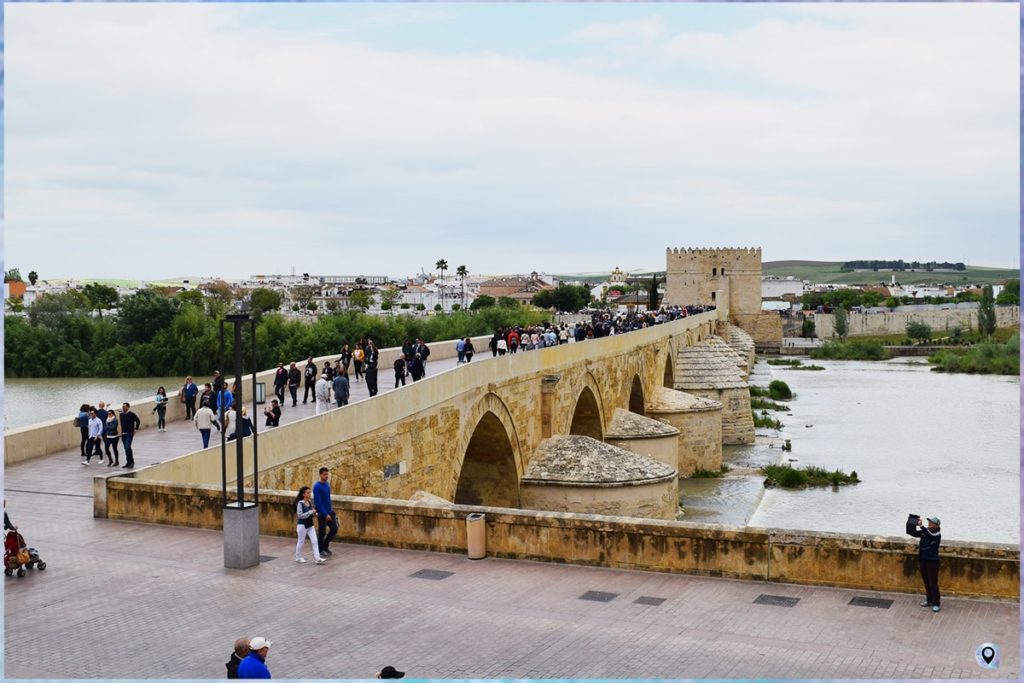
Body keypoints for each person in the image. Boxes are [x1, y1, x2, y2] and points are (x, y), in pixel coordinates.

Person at [907, 514, 942, 612]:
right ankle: (929, 600)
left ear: (936, 525)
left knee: (933, 583)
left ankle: (936, 603)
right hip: (923, 559)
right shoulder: (926, 531)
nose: (929, 524)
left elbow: (930, 535)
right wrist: (912, 522)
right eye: (929, 522)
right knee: (926, 581)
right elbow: (913, 533)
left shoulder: (936, 534)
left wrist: (922, 527)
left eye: (931, 523)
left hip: (932, 562)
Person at [294, 486, 325, 564]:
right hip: (302, 525)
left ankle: (317, 558)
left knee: (314, 541)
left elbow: (311, 513)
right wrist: (311, 512)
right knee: (301, 541)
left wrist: (315, 514)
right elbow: (300, 515)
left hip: (310, 525)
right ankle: (298, 557)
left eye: (310, 492)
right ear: (303, 494)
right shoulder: (300, 504)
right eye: (308, 493)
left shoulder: (310, 502)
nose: (309, 494)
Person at [313, 467, 338, 556]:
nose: (327, 476)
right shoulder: (317, 487)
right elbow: (318, 503)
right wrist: (325, 514)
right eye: (325, 474)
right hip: (322, 514)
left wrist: (331, 510)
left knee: (334, 528)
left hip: (330, 512)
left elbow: (328, 499)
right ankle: (321, 550)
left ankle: (325, 546)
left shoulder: (327, 484)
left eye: (327, 474)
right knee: (322, 532)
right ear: (320, 475)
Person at [119, 403, 141, 469]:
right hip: (123, 434)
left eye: (125, 407)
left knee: (127, 446)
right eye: (122, 406)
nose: (123, 408)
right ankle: (128, 462)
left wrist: (135, 429)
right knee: (126, 448)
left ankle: (131, 462)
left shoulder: (131, 414)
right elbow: (122, 424)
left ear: (128, 407)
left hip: (129, 433)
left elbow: (138, 421)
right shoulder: (121, 414)